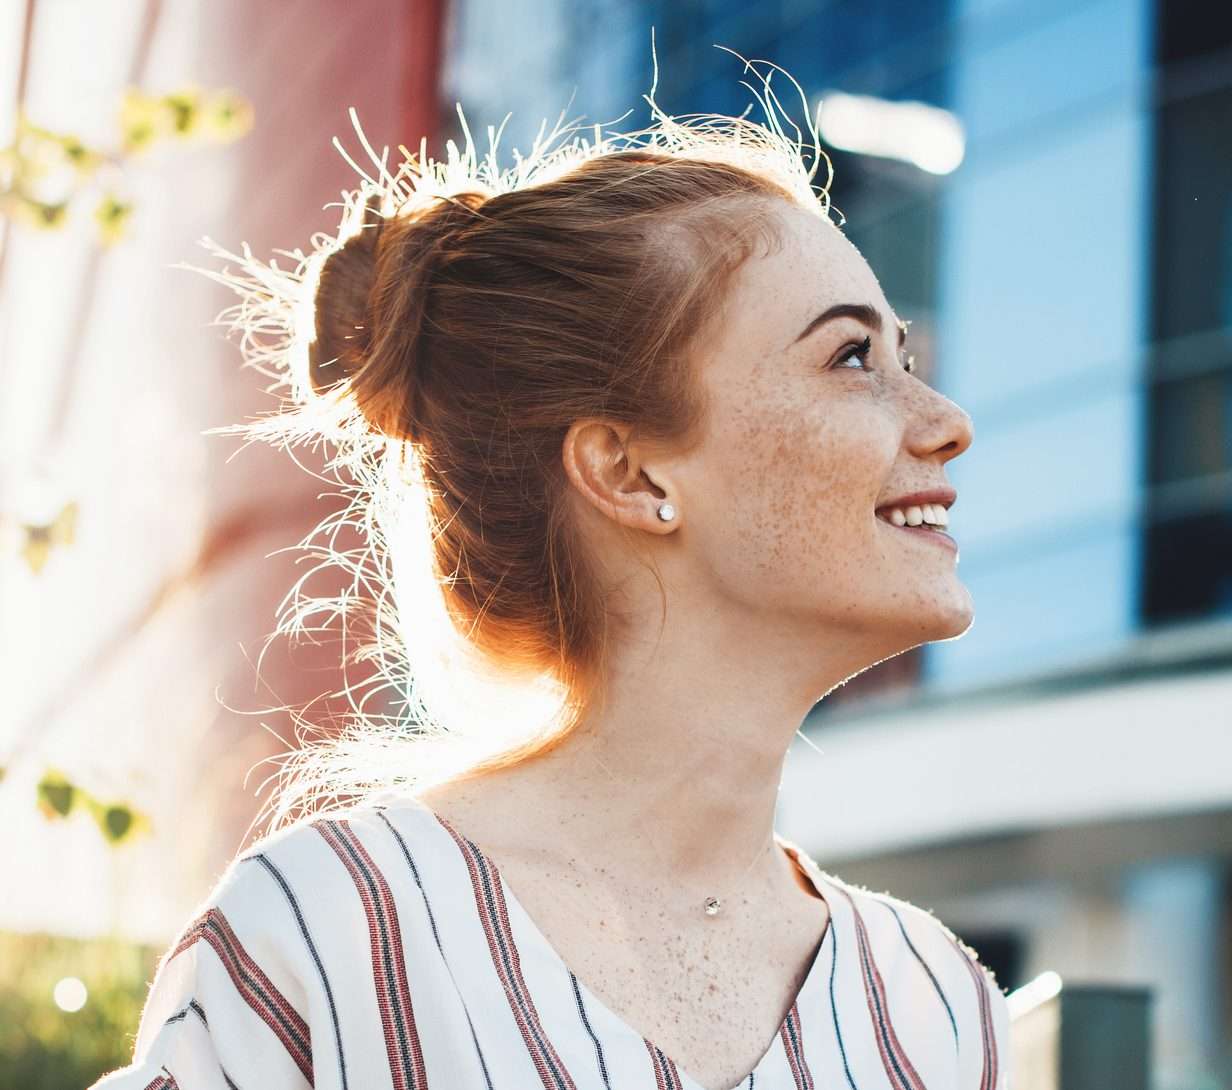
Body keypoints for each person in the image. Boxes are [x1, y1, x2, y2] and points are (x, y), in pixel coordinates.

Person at [91, 65, 1009, 1090]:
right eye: (850, 358)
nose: (944, 422)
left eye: (902, 354)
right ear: (628, 469)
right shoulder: (329, 930)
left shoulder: (934, 1005)